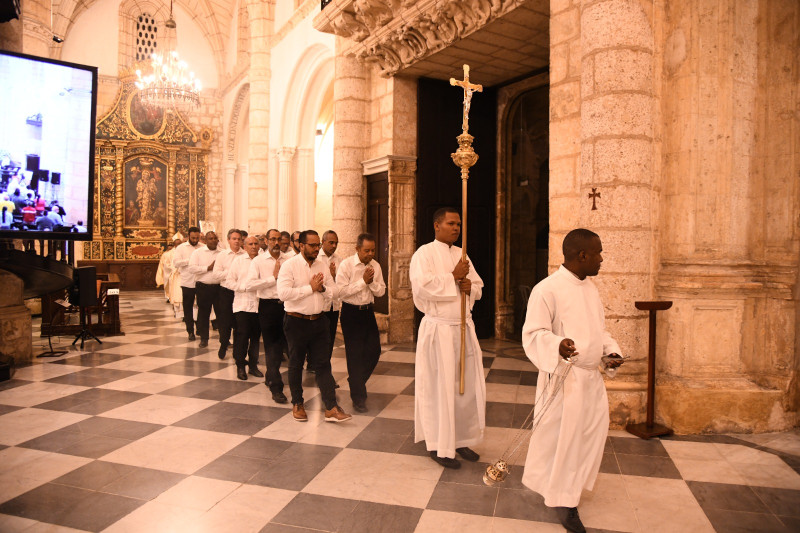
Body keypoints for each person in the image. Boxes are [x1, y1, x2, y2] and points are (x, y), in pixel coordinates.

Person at [521, 228, 625, 533]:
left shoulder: (589, 287)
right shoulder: (547, 289)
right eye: (598, 253)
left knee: (587, 438)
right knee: (564, 441)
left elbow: (598, 332)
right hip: (565, 379)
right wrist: (557, 344)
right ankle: (564, 502)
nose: (602, 259)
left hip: (591, 379)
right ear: (582, 255)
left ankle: (571, 489)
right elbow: (533, 334)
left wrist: (610, 351)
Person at [409, 207, 485, 469]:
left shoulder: (462, 255)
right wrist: (453, 277)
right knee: (439, 388)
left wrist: (468, 287)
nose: (456, 228)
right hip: (439, 330)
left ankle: (460, 437)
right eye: (451, 223)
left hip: (462, 328)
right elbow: (421, 286)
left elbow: (477, 286)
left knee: (463, 387)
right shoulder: (424, 254)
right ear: (436, 225)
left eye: (459, 224)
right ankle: (438, 444)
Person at [277, 230, 351, 423]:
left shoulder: (322, 265)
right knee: (296, 364)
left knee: (323, 365)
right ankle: (298, 403)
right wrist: (311, 288)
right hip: (296, 322)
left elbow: (335, 292)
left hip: (319, 321)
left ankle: (331, 408)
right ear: (301, 246)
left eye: (318, 245)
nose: (317, 249)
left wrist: (323, 288)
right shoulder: (289, 266)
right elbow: (284, 293)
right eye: (312, 245)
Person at [336, 233, 386, 413]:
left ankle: (355, 381)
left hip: (368, 312)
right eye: (367, 250)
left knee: (374, 351)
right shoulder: (346, 265)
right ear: (357, 249)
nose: (370, 254)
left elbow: (381, 292)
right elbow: (341, 292)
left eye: (373, 250)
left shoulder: (376, 266)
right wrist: (362, 282)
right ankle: (359, 398)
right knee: (355, 355)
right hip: (351, 313)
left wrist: (371, 284)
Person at [246, 228, 288, 403]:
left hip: (286, 306)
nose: (276, 243)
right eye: (273, 239)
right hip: (268, 307)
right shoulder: (259, 261)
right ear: (267, 240)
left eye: (279, 239)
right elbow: (250, 284)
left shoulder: (290, 259)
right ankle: (276, 387)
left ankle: (271, 374)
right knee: (272, 347)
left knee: (282, 346)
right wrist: (273, 278)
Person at [226, 235, 262, 380]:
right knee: (242, 336)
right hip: (243, 304)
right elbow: (229, 281)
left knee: (255, 337)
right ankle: (240, 366)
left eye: (256, 244)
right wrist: (244, 288)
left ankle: (253, 366)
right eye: (250, 244)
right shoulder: (238, 261)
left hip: (259, 305)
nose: (253, 246)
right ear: (244, 246)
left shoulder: (263, 261)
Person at [212, 229, 245, 359]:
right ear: (228, 240)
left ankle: (238, 351)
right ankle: (223, 343)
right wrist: (232, 273)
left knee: (239, 322)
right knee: (225, 321)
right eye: (234, 239)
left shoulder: (245, 255)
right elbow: (216, 274)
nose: (236, 241)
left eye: (239, 239)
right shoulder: (222, 255)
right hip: (226, 292)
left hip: (240, 292)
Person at [189, 231, 222, 348]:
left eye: (215, 238)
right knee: (203, 314)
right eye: (210, 238)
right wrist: (207, 268)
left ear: (218, 240)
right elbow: (191, 268)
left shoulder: (222, 253)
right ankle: (204, 339)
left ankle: (224, 340)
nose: (213, 240)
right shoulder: (198, 253)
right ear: (205, 240)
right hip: (203, 287)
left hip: (219, 288)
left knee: (221, 314)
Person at [172, 227, 205, 340]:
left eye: (197, 238)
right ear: (188, 236)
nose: (195, 240)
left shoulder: (203, 247)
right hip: (187, 282)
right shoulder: (181, 248)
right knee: (188, 307)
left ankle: (200, 328)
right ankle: (190, 331)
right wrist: (190, 260)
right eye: (193, 238)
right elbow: (176, 263)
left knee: (202, 306)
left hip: (201, 281)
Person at [318, 230, 342, 359]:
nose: (334, 246)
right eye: (331, 242)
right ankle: (314, 363)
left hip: (334, 305)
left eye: (336, 243)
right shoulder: (317, 258)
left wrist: (334, 277)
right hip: (320, 305)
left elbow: (342, 282)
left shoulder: (339, 259)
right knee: (318, 337)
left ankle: (326, 363)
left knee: (330, 337)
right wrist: (331, 278)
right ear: (323, 242)